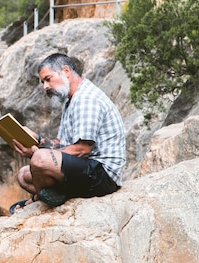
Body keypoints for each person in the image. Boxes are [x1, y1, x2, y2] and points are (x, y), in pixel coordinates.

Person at [10, 52, 126, 212]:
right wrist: (37, 140)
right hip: (85, 170)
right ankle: (53, 194)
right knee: (24, 175)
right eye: (43, 82)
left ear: (66, 71)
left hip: (102, 176)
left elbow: (82, 150)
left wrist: (37, 153)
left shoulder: (86, 99)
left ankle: (41, 198)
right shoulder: (70, 101)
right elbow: (62, 145)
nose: (45, 86)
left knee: (39, 160)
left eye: (48, 79)